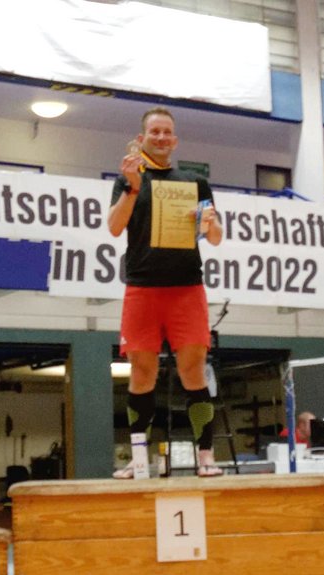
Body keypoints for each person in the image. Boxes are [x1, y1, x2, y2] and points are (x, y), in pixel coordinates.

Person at [108, 107, 224, 478]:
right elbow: (114, 227)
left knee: (193, 372)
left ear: (174, 140)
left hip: (186, 288)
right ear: (141, 138)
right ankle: (138, 458)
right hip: (142, 287)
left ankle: (206, 455)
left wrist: (208, 222)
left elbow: (216, 237)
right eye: (154, 131)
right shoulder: (128, 179)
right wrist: (131, 188)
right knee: (142, 373)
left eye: (166, 132)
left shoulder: (194, 182)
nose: (160, 137)